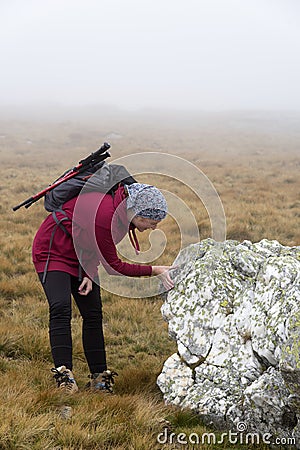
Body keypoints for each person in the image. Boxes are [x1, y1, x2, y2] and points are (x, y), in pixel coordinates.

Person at [32, 182, 174, 394]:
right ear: (139, 212)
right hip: (54, 250)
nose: (152, 228)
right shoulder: (107, 215)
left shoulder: (123, 217)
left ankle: (99, 379)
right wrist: (155, 270)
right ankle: (64, 377)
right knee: (61, 308)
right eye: (152, 222)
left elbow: (95, 244)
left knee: (93, 313)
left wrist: (89, 272)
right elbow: (114, 267)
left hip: (81, 255)